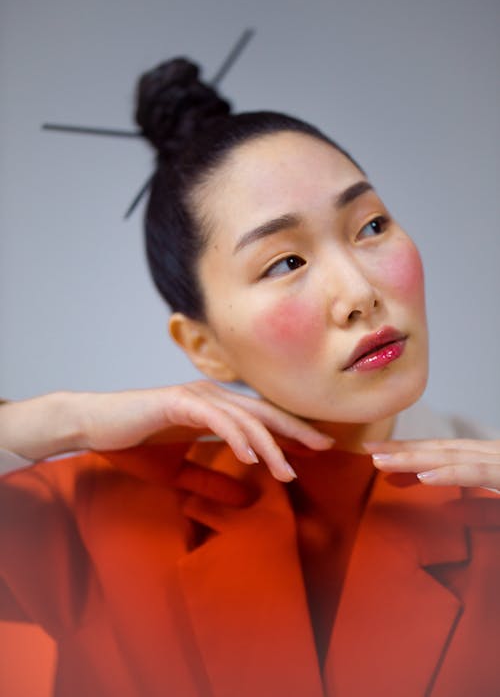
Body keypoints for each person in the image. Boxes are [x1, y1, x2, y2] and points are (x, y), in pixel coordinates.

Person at [1, 58, 499, 697]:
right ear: (204, 346)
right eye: (285, 261)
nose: (359, 293)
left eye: (371, 226)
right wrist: (65, 418)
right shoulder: (106, 509)